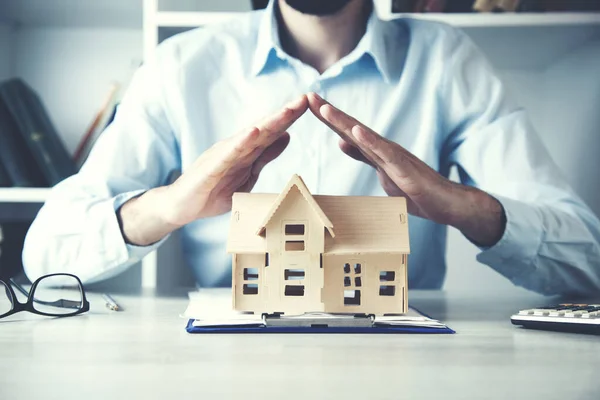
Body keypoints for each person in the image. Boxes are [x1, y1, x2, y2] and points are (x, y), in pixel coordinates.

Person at [23, 0, 600, 295]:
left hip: (411, 372)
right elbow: (44, 253)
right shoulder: (181, 65)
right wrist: (171, 205)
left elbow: (588, 262)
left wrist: (464, 206)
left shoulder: (445, 58)